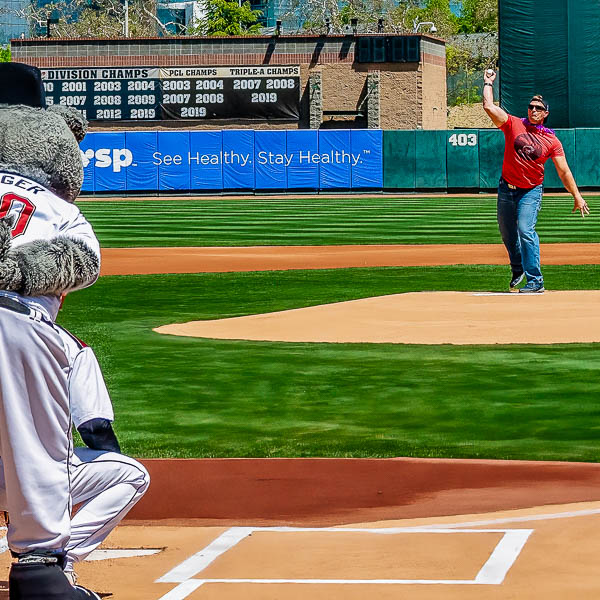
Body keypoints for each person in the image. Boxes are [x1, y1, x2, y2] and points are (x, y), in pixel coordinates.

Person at [0, 63, 103, 599]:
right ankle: (39, 570)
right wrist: (18, 269)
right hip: (18, 319)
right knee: (34, 442)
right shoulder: (56, 202)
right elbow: (83, 262)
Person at [0, 321, 150, 587]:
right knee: (133, 475)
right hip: (42, 483)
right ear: (60, 292)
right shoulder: (67, 344)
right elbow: (94, 426)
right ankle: (59, 556)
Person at [482, 69, 589, 293]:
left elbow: (564, 171)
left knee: (525, 229)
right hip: (506, 188)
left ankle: (535, 280)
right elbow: (489, 107)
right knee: (506, 232)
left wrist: (577, 196)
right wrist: (488, 83)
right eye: (531, 107)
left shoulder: (551, 140)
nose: (533, 110)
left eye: (538, 108)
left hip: (530, 190)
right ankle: (517, 267)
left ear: (546, 113)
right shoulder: (513, 124)